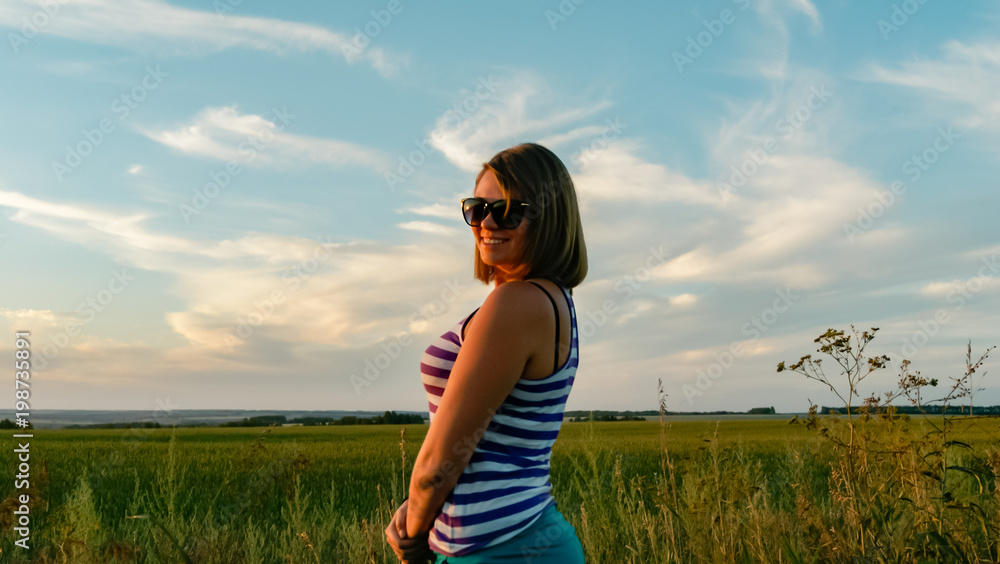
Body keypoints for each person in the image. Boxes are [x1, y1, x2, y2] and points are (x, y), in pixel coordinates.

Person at [385, 143, 588, 563]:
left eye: (509, 210)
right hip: (521, 537)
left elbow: (438, 466)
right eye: (477, 208)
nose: (487, 222)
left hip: (498, 550)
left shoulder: (517, 303)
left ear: (548, 219)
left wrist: (413, 534)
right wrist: (423, 513)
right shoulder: (550, 301)